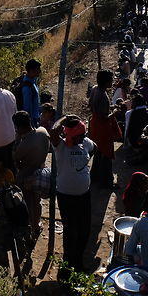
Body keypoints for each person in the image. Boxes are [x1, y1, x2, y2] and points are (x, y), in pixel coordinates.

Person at [51, 115, 96, 275]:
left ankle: (78, 261)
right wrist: (66, 118)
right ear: (70, 135)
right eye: (79, 135)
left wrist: (85, 164)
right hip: (66, 196)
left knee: (84, 230)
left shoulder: (85, 143)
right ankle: (68, 266)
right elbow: (53, 132)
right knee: (71, 231)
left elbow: (94, 148)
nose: (83, 138)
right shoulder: (61, 146)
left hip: (84, 195)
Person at [12, 111, 50, 237]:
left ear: (19, 127)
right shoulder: (43, 131)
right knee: (37, 201)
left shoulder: (25, 143)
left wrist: (18, 137)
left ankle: (31, 228)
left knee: (28, 203)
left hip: (27, 176)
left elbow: (16, 158)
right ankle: (37, 224)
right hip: (40, 171)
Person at [87, 70, 120, 188]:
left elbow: (94, 107)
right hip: (102, 127)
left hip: (95, 124)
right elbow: (104, 117)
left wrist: (111, 106)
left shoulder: (95, 89)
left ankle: (95, 176)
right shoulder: (102, 95)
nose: (112, 82)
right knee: (106, 154)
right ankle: (107, 182)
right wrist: (114, 113)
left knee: (98, 151)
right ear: (106, 82)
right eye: (110, 80)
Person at [15, 59, 42, 127]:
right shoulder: (27, 87)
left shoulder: (33, 81)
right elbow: (27, 109)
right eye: (38, 69)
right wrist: (31, 126)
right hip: (32, 122)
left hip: (36, 118)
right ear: (31, 70)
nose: (40, 71)